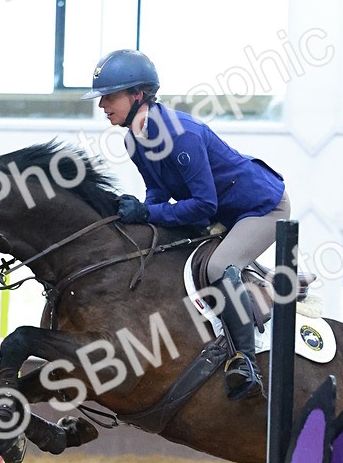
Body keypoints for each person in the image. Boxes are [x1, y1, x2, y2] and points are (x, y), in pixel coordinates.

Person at [83, 49, 290, 401]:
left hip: (262, 207)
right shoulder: (134, 139)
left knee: (220, 266)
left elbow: (203, 204)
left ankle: (246, 361)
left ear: (137, 96)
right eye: (102, 98)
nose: (103, 105)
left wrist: (149, 215)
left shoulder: (183, 136)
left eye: (110, 96)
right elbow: (160, 189)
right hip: (221, 213)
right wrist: (140, 219)